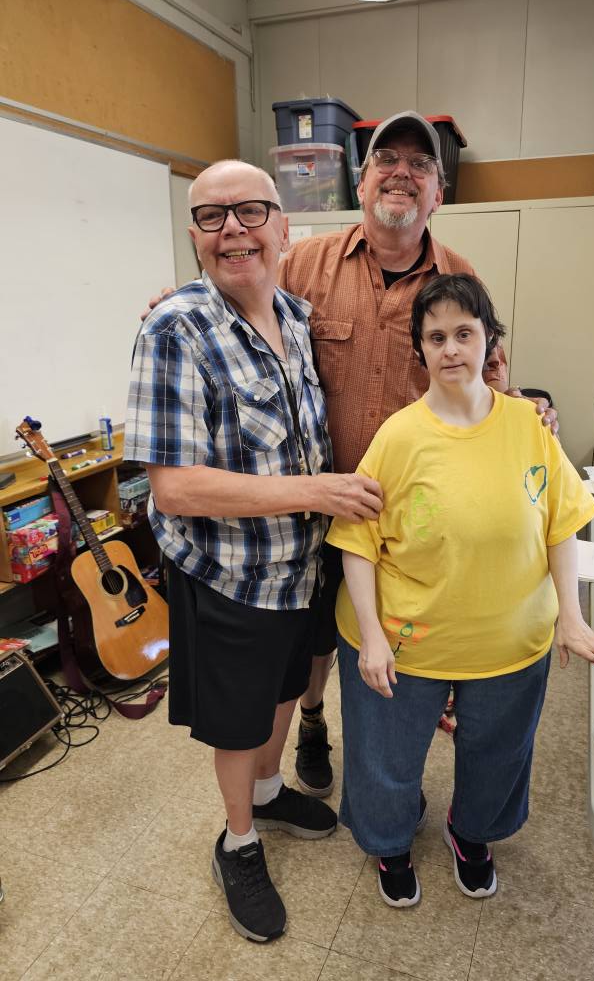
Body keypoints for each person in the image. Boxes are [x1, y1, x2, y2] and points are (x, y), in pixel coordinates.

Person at [125, 160, 382, 943]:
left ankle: (270, 792)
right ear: (196, 237)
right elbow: (175, 489)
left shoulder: (297, 316)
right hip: (230, 574)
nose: (233, 228)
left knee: (283, 692)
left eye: (249, 212)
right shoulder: (174, 329)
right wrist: (319, 492)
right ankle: (237, 838)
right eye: (211, 217)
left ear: (283, 228)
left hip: (299, 565)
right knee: (237, 723)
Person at [276, 111, 559, 798]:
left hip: (410, 519)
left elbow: (484, 386)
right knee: (315, 637)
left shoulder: (461, 277)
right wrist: (178, 301)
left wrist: (530, 408)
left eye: (421, 165)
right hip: (314, 497)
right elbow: (233, 315)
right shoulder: (302, 263)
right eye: (386, 160)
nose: (401, 172)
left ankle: (395, 763)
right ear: (363, 181)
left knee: (401, 643)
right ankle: (314, 721)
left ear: (438, 195)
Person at [325, 273, 594, 908]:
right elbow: (356, 541)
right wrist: (372, 640)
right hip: (405, 638)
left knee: (499, 752)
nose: (451, 349)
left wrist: (571, 620)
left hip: (511, 635)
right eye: (435, 337)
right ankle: (390, 843)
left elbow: (562, 523)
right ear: (421, 350)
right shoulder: (399, 435)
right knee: (386, 755)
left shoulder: (527, 424)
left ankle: (473, 835)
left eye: (464, 333)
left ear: (490, 341)